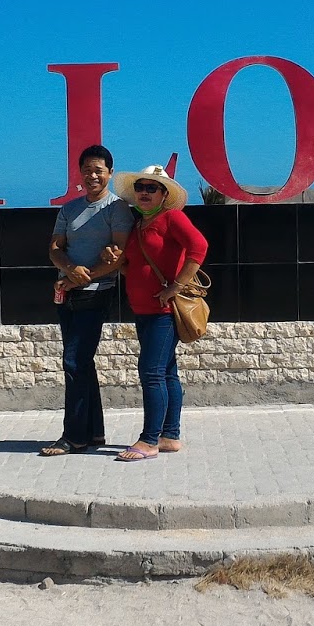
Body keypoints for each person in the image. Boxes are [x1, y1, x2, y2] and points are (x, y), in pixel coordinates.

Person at [40, 145, 133, 457]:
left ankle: (74, 437)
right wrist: (69, 270)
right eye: (87, 170)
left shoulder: (117, 209)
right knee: (82, 363)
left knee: (74, 362)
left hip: (95, 295)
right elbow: (55, 248)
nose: (92, 175)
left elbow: (118, 255)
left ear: (109, 173)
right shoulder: (69, 209)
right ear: (80, 173)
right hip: (67, 294)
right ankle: (93, 433)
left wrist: (85, 276)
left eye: (99, 170)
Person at [111, 162, 208, 462]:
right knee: (166, 372)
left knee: (151, 372)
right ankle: (170, 435)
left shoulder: (172, 218)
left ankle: (149, 440)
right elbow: (135, 266)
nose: (143, 192)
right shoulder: (139, 224)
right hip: (144, 309)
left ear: (164, 194)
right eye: (139, 187)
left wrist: (175, 287)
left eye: (151, 188)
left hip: (163, 311)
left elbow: (199, 247)